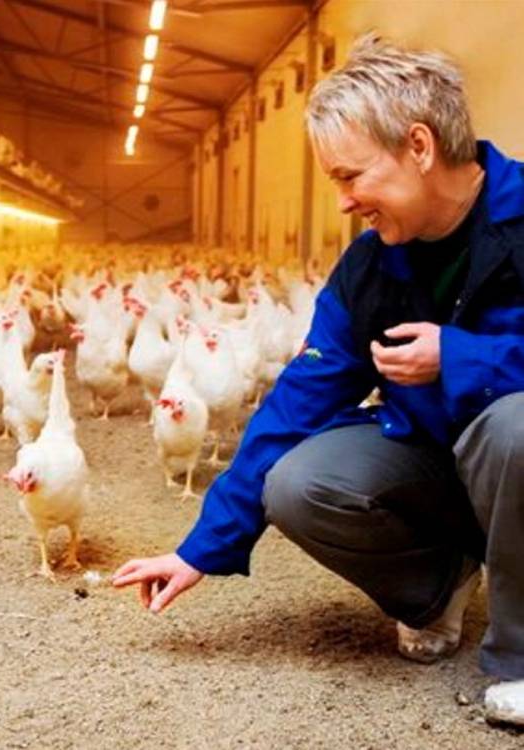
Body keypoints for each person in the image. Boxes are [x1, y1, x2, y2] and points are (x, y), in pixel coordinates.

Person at [113, 34, 524, 726]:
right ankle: (437, 585)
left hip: (512, 457)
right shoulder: (370, 268)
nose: (342, 202)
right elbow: (296, 404)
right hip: (443, 462)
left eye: (349, 176)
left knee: (515, 426)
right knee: (298, 481)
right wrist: (201, 548)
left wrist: (465, 360)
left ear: (419, 147)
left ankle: (520, 656)